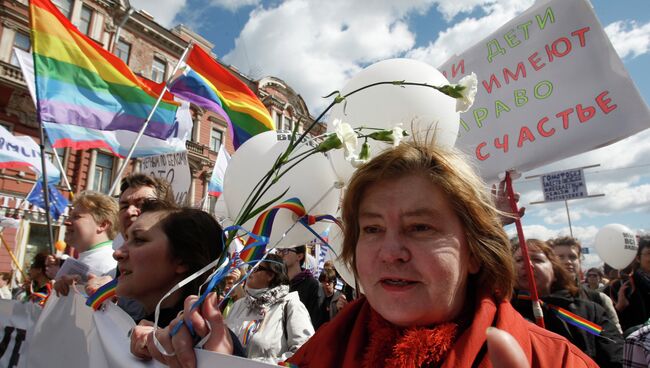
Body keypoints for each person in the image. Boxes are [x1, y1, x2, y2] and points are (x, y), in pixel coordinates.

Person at [151, 140, 599, 368]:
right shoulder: (317, 357)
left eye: (421, 228)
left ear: (475, 252)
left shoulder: (554, 361)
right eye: (372, 229)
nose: (391, 252)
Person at [117, 200, 245, 360]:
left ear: (182, 260)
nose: (118, 252)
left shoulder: (205, 341)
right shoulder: (127, 323)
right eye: (126, 238)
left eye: (139, 240)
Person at [512, 238, 624, 367]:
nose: (527, 264)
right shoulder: (502, 310)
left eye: (537, 259)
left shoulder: (591, 311)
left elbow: (616, 357)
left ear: (555, 271)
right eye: (519, 260)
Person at [222, 253, 313, 362]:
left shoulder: (290, 305)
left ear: (271, 275)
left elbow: (304, 352)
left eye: (256, 268)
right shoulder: (238, 305)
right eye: (250, 267)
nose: (250, 271)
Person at [549, 236, 622, 333]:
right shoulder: (541, 299)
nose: (568, 261)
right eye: (560, 257)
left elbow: (615, 339)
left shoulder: (599, 299)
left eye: (573, 257)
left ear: (579, 261)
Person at [53, 191, 119, 296]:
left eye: (76, 217)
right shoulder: (90, 257)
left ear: (102, 225)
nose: (67, 222)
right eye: (69, 216)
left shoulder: (112, 262)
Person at [607, 236, 650, 335]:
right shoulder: (622, 286)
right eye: (649, 253)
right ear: (638, 258)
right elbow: (608, 323)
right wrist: (619, 307)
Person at [278, 245, 323, 328]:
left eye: (285, 250)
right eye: (279, 250)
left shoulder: (312, 284)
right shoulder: (277, 282)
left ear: (299, 256)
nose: (280, 254)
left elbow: (315, 321)